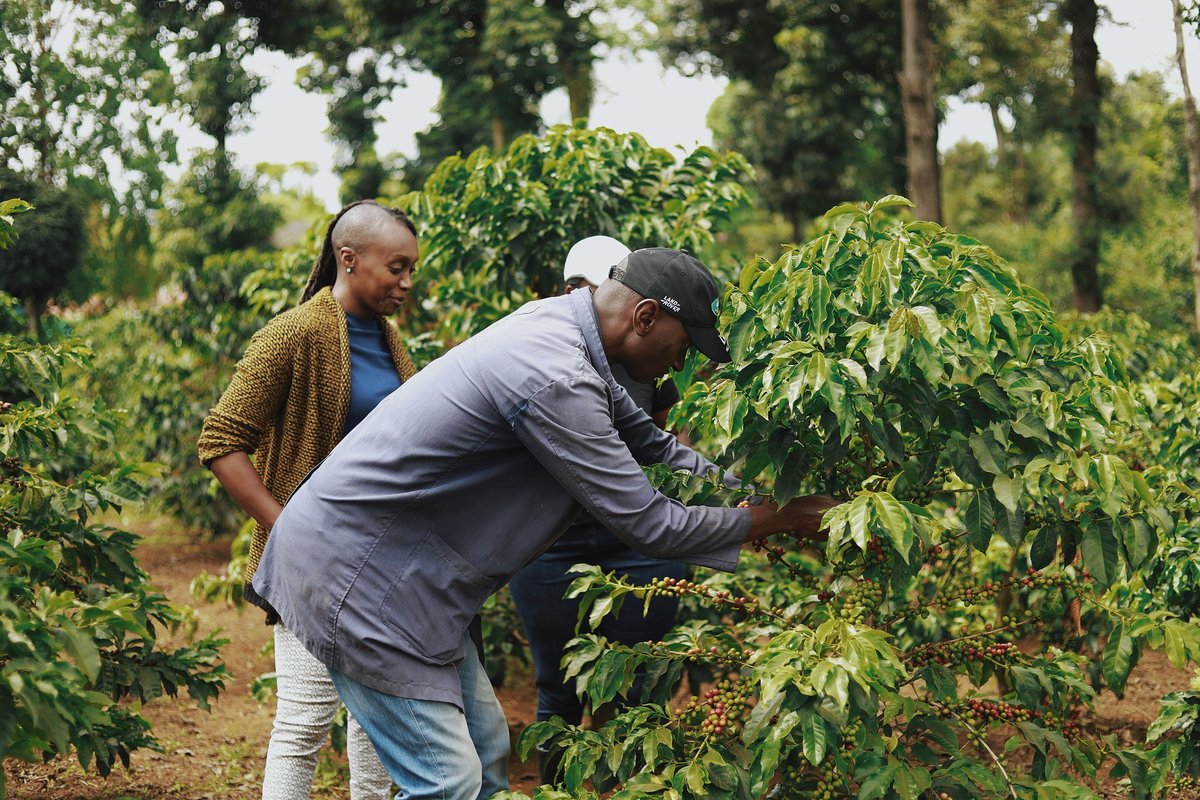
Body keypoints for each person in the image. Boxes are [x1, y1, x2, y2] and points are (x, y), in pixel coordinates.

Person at [250, 246, 839, 800]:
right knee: (449, 783)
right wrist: (778, 519)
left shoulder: (569, 333)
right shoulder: (556, 374)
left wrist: (766, 498)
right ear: (645, 316)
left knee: (484, 756)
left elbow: (660, 451)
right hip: (360, 583)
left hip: (410, 585)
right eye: (684, 345)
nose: (682, 364)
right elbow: (651, 523)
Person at [197, 199, 421, 800]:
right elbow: (221, 440)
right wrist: (288, 527)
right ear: (349, 259)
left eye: (411, 271)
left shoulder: (392, 343)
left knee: (380, 731)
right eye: (396, 268)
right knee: (304, 724)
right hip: (311, 570)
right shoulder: (295, 334)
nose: (406, 283)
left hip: (382, 568)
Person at [507, 235, 688, 783]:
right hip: (551, 544)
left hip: (636, 543)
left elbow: (662, 443)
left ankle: (628, 788)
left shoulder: (649, 361)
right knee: (559, 689)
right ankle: (561, 790)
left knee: (636, 691)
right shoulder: (541, 347)